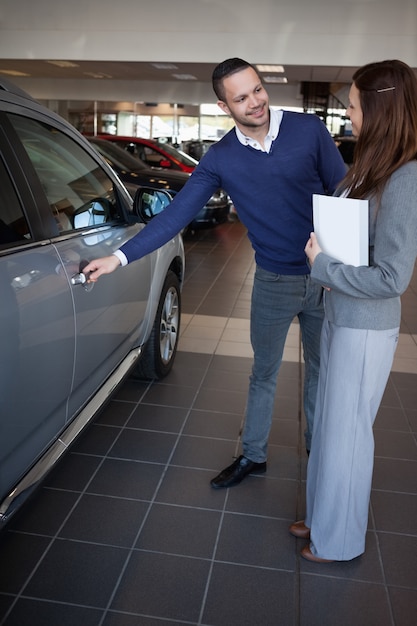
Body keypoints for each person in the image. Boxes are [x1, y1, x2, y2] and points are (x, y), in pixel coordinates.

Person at [83, 58, 346, 488]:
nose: (255, 102)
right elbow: (176, 216)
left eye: (257, 90)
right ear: (224, 107)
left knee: (322, 369)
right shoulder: (220, 159)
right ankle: (254, 456)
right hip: (274, 281)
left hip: (325, 276)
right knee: (264, 372)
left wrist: (355, 258)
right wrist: (119, 257)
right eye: (241, 98)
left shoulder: (309, 130)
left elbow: (343, 191)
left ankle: (319, 450)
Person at [290, 59, 417, 562]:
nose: (348, 110)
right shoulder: (371, 164)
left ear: (380, 107)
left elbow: (392, 278)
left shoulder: (406, 178)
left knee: (348, 435)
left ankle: (339, 541)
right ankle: (323, 516)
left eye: (355, 103)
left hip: (365, 327)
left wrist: (322, 265)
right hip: (341, 314)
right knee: (330, 428)